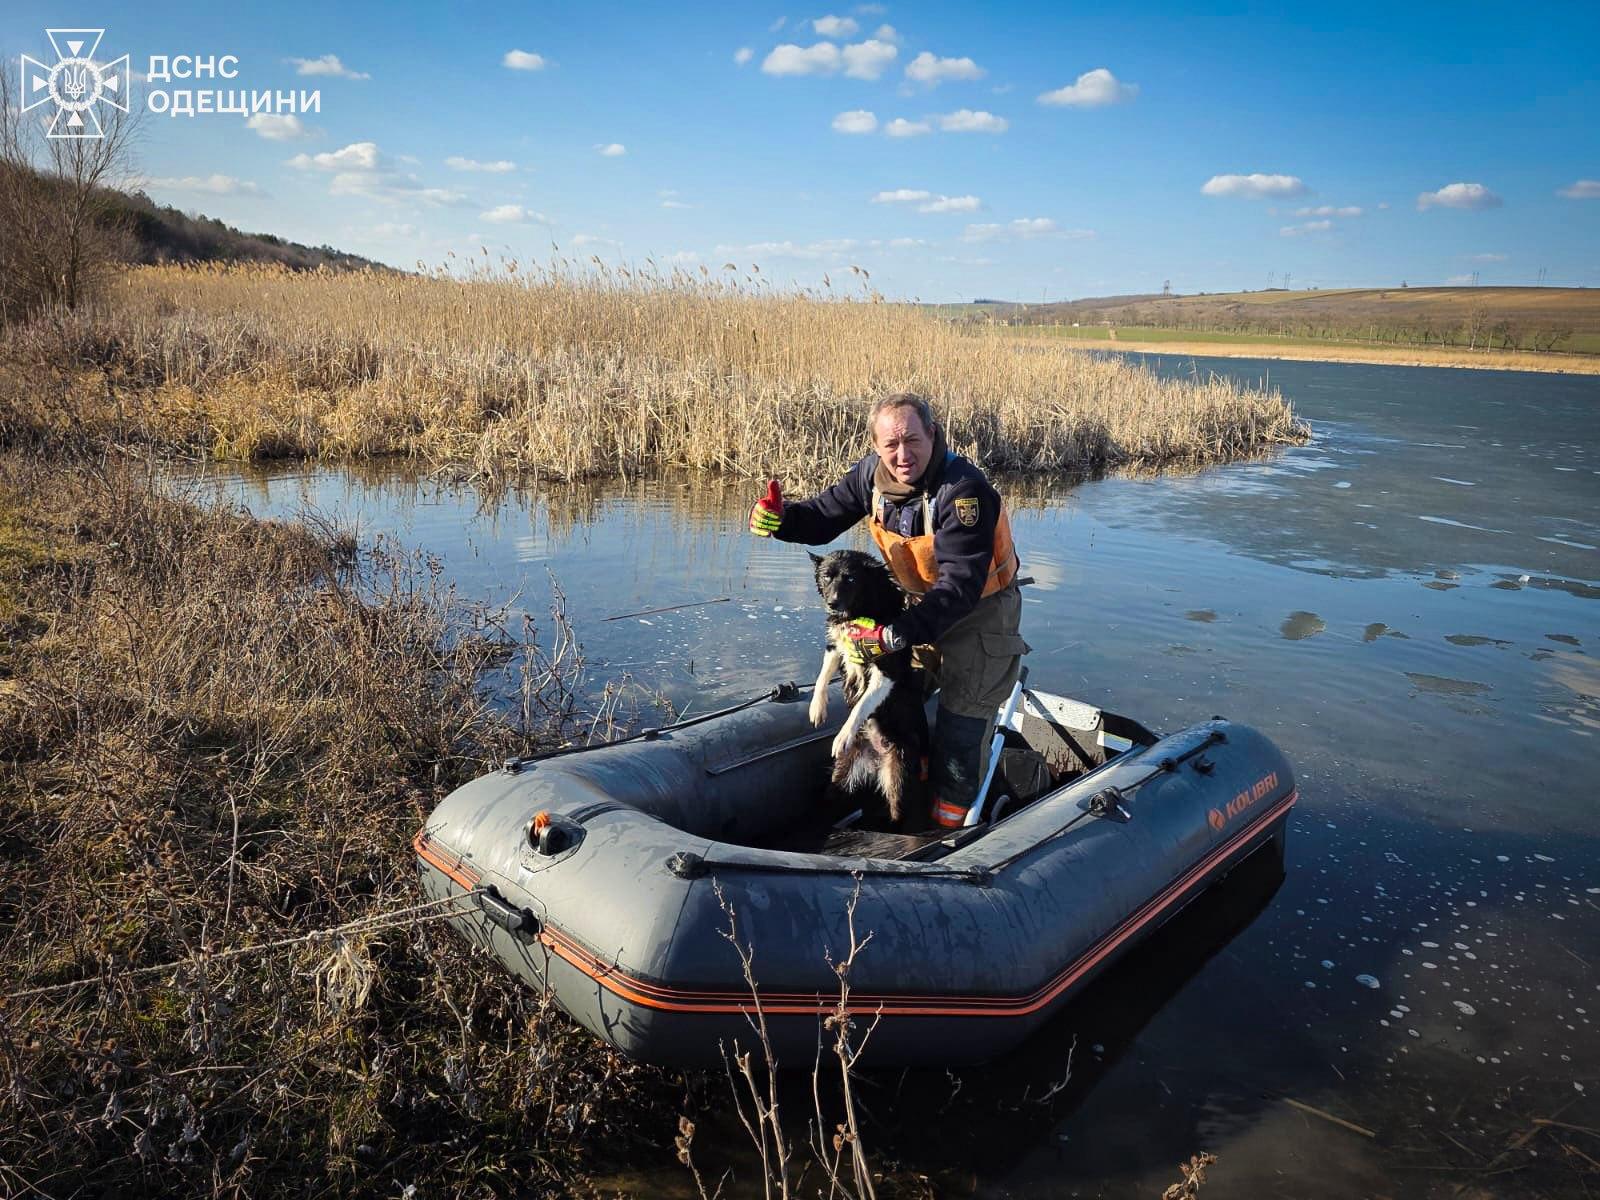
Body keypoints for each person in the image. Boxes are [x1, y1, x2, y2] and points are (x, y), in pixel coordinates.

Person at [749, 393, 1028, 829]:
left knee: (960, 726)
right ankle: (908, 801)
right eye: (890, 445)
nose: (903, 455)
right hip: (917, 609)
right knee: (902, 705)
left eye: (912, 440)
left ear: (932, 435)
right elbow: (822, 516)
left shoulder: (962, 493)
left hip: (979, 615)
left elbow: (959, 588)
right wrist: (780, 519)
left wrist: (893, 635)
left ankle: (948, 834)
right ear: (875, 446)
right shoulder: (870, 478)